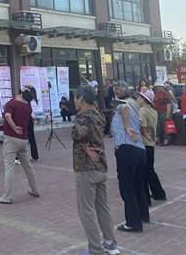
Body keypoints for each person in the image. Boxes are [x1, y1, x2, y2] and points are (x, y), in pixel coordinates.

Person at [72, 85, 119, 255]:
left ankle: (95, 249)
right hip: (101, 166)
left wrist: (85, 147)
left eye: (75, 98)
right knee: (102, 206)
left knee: (86, 210)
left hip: (86, 167)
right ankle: (110, 243)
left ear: (81, 98)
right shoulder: (98, 115)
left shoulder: (82, 116)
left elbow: (82, 133)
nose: (74, 102)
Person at [111, 80, 149, 232]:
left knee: (127, 187)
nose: (115, 91)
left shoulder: (123, 104)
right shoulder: (134, 104)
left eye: (117, 89)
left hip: (127, 149)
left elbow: (124, 108)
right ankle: (143, 214)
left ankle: (133, 222)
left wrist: (125, 127)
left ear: (123, 90)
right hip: (140, 150)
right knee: (138, 184)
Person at [0, 88, 40, 204]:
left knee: (9, 168)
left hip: (11, 138)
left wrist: (14, 127)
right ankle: (34, 190)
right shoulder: (28, 108)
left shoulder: (13, 103)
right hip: (23, 140)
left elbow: (7, 115)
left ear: (20, 95)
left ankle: (7, 196)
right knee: (28, 166)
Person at [136, 90, 166, 204]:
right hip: (150, 143)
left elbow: (142, 126)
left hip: (144, 142)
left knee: (143, 171)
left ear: (144, 99)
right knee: (149, 170)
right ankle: (159, 193)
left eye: (139, 98)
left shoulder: (142, 111)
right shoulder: (153, 110)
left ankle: (146, 200)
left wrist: (144, 133)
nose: (137, 100)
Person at [152, 80, 173, 146]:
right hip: (157, 111)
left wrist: (167, 114)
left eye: (159, 87)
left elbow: (168, 104)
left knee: (165, 126)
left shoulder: (166, 95)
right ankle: (156, 139)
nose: (158, 88)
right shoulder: (156, 93)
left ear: (162, 87)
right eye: (157, 87)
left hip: (164, 112)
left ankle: (166, 140)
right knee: (157, 126)